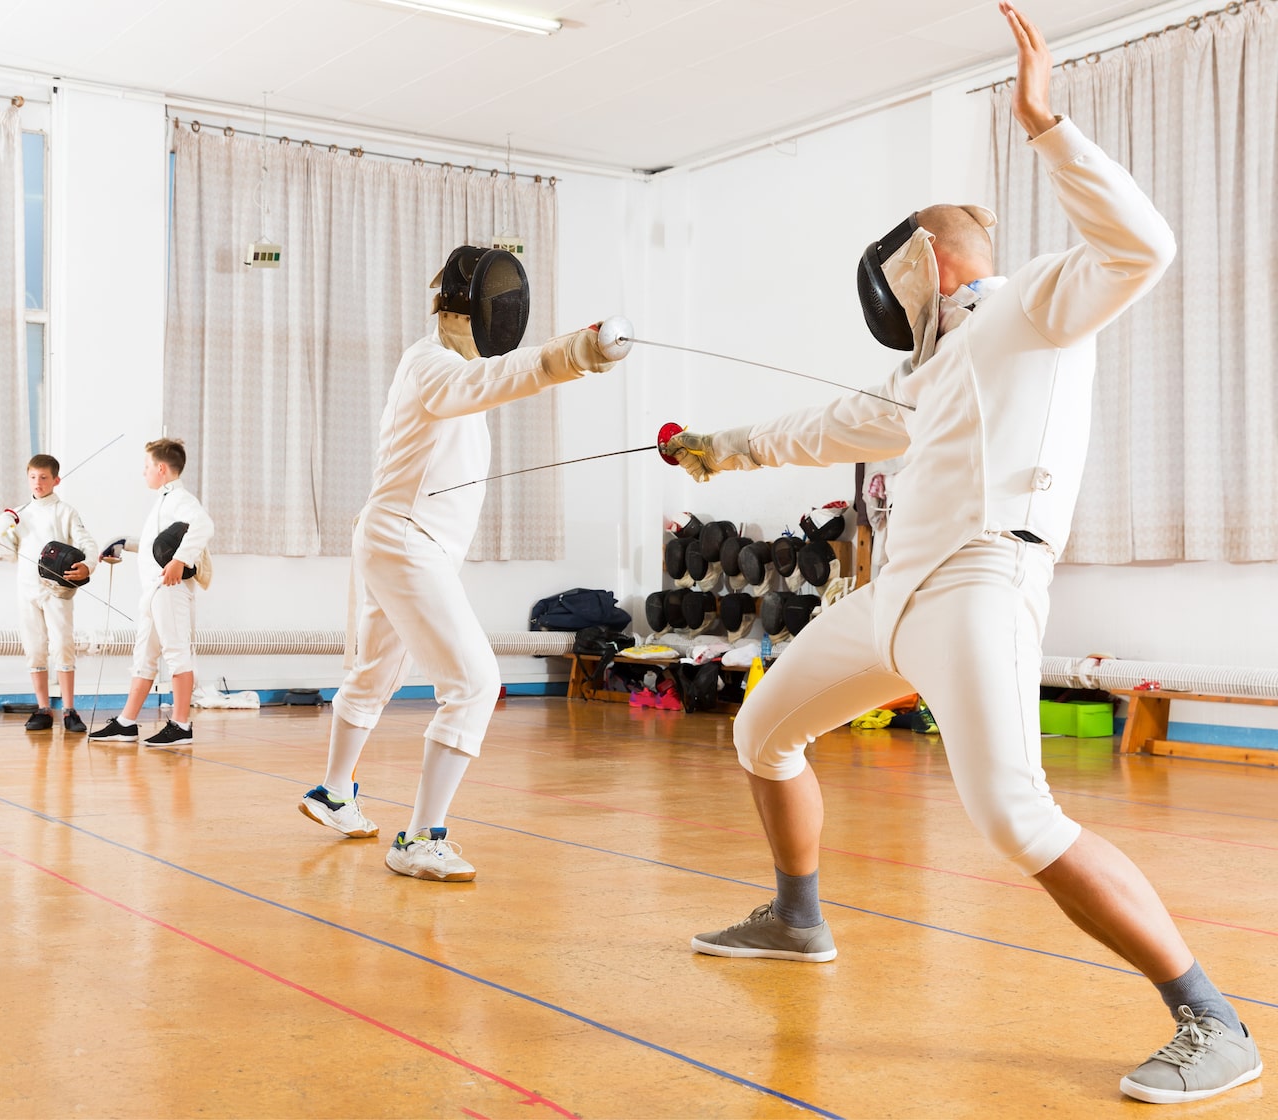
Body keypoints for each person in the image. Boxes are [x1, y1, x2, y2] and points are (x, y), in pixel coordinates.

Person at [664, 3, 1261, 1106]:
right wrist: (719, 449)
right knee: (761, 728)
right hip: (895, 598)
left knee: (1014, 815)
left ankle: (1211, 1017)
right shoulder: (929, 375)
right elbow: (831, 424)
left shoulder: (1037, 303)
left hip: (985, 580)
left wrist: (1047, 124)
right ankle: (798, 919)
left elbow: (1146, 246)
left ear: (929, 260)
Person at [299, 245, 628, 881]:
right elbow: (483, 383)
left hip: (398, 538)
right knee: (475, 684)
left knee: (374, 675)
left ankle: (334, 793)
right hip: (404, 539)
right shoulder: (431, 365)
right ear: (459, 309)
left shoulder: (445, 367)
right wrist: (569, 355)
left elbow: (482, 384)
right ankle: (420, 838)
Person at [89, 438, 213, 748]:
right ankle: (126, 723)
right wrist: (121, 542)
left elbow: (203, 525)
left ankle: (182, 725)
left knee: (176, 652)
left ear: (160, 468)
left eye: (146, 467)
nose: (143, 473)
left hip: (170, 589)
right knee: (144, 656)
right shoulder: (164, 501)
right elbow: (153, 544)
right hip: (154, 592)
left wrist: (181, 559)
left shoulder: (182, 499)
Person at [0, 454, 100, 734]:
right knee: (34, 648)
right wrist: (1, 528)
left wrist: (87, 566)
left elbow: (87, 543)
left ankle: (69, 710)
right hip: (27, 590)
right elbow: (6, 550)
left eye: (43, 477)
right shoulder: (19, 513)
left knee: (63, 645)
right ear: (27, 478)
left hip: (57, 591)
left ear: (56, 480)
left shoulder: (66, 512)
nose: (38, 483)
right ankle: (43, 708)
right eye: (33, 477)